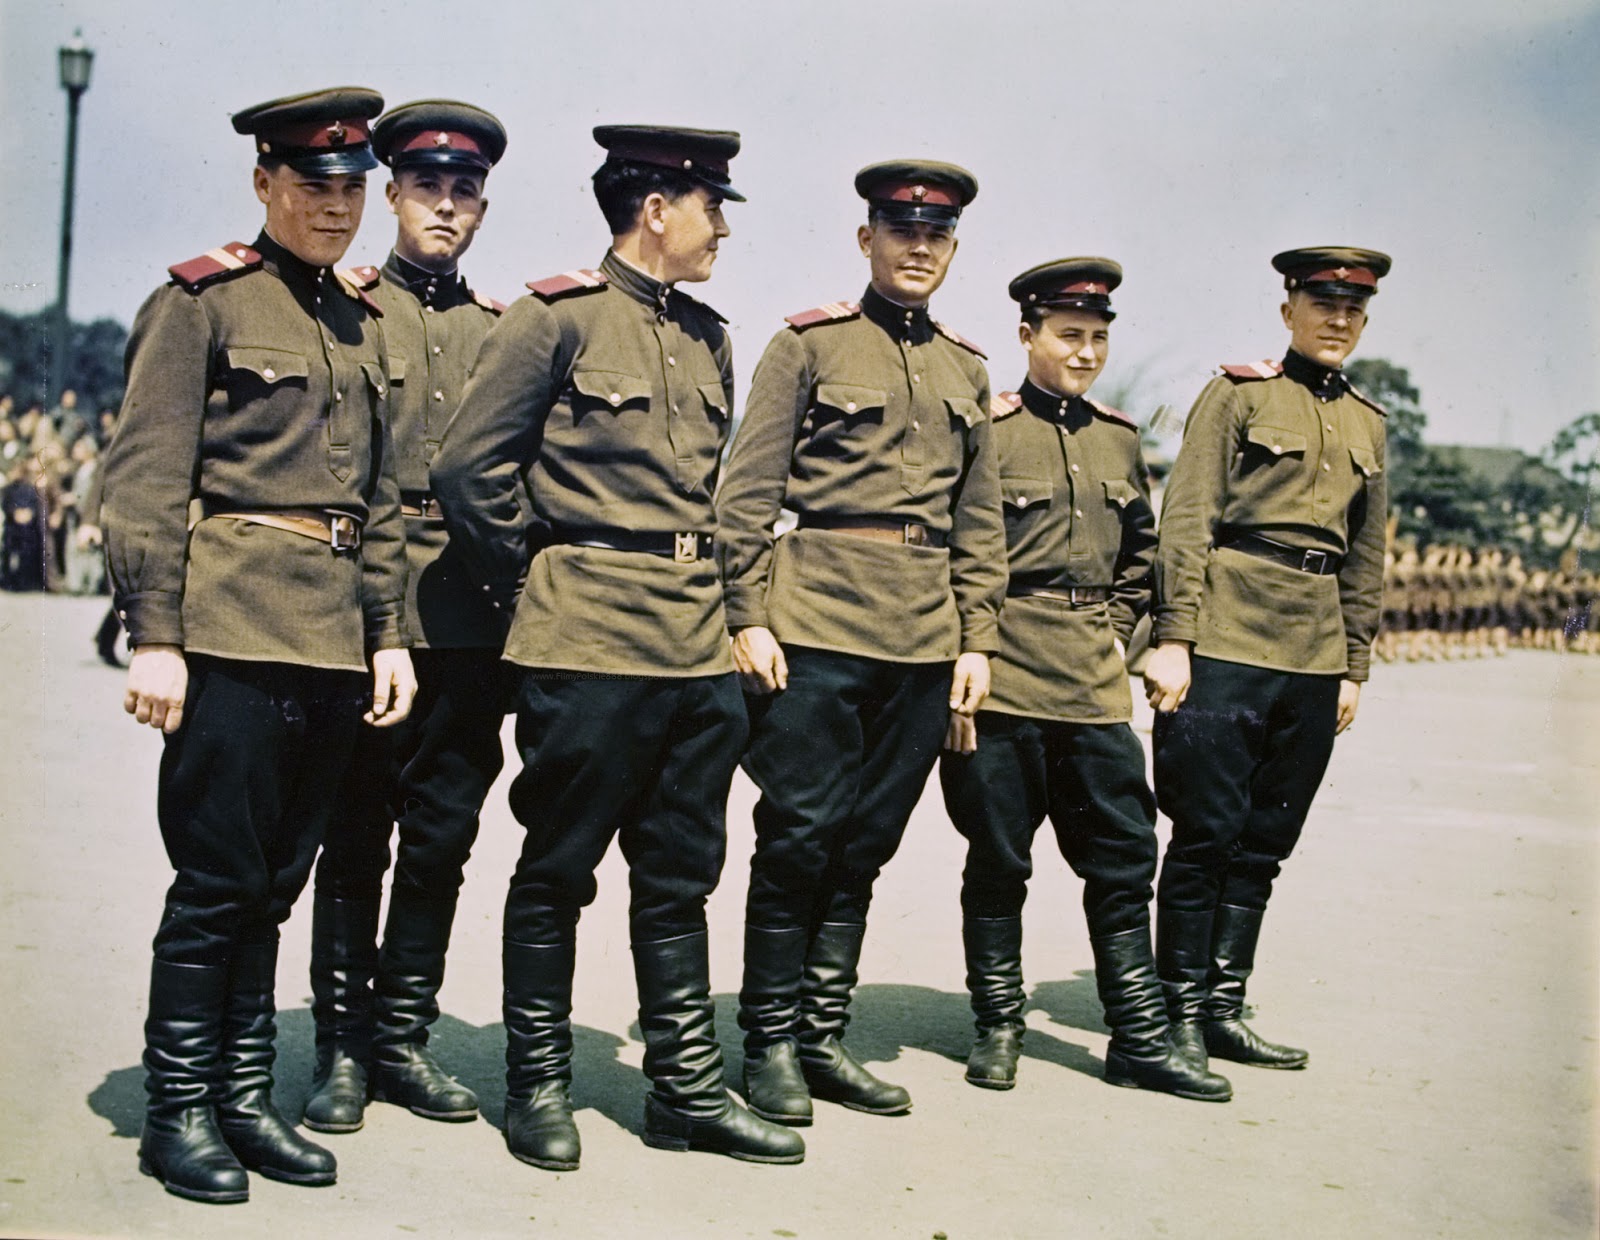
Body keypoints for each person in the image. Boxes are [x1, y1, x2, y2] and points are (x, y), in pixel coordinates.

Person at [431, 125, 802, 1169]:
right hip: (586, 637)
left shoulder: (709, 335)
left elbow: (714, 497)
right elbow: (470, 470)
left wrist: (732, 613)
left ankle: (685, 1086)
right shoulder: (554, 321)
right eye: (710, 206)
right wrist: (538, 577)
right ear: (656, 210)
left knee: (681, 871)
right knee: (557, 865)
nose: (721, 226)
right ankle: (537, 1083)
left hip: (691, 640)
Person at [101, 87, 415, 1204]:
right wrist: (156, 635)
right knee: (217, 877)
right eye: (314, 185)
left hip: (330, 640)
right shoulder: (203, 304)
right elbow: (142, 481)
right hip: (231, 628)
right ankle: (177, 1106)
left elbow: (377, 503)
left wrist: (386, 635)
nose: (337, 207)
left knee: (278, 880)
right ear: (266, 182)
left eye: (353, 188)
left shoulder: (364, 322)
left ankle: (243, 1096)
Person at [716, 160, 1006, 1127]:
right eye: (900, 231)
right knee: (801, 834)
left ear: (953, 249)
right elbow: (748, 492)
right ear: (867, 240)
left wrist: (977, 638)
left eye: (936, 236)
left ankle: (821, 1036)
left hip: (923, 638)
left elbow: (980, 520)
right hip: (817, 626)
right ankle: (766, 1046)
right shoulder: (808, 346)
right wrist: (747, 613)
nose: (918, 248)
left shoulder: (969, 369)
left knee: (868, 844)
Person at [938, 258, 1230, 1102]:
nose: (1086, 352)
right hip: (1002, 674)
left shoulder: (1117, 438)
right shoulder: (988, 429)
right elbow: (966, 552)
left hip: (1093, 682)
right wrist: (977, 647)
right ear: (1027, 334)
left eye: (1099, 337)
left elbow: (1140, 558)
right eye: (1070, 335)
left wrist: (1108, 633)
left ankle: (1137, 1035)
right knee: (998, 856)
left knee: (1123, 855)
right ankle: (998, 1024)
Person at [303, 99, 512, 1137]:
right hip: (360, 615)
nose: (445, 205)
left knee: (441, 840)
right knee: (354, 836)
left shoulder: (504, 330)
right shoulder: (344, 305)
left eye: (463, 190)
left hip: (469, 621)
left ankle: (401, 1039)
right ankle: (341, 1049)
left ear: (481, 206)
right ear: (391, 195)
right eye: (427, 187)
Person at [1144, 246, 1391, 1073]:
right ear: (1289, 309)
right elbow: (1186, 518)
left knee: (1265, 841)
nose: (1338, 319)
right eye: (1323, 303)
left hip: (1314, 654)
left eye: (1354, 308)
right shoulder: (1239, 394)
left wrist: (1353, 663)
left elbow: (1363, 557)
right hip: (1227, 639)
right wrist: (1174, 637)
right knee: (1206, 832)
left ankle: (1222, 1004)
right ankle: (1176, 1013)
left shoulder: (1368, 422)